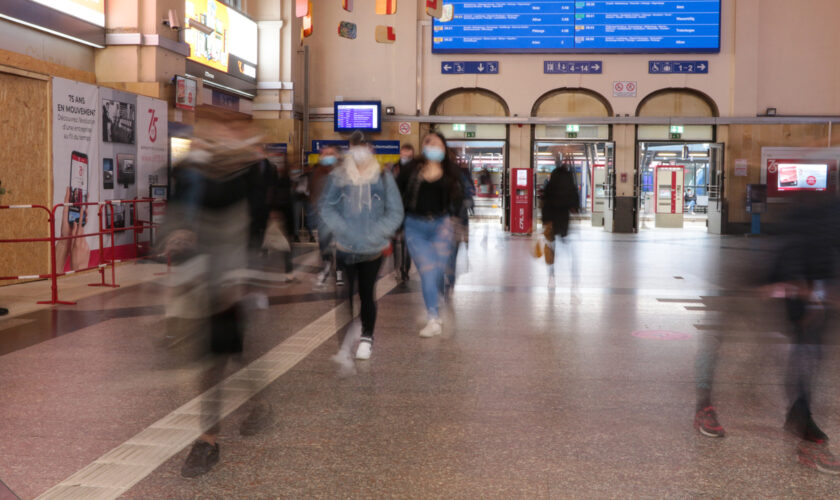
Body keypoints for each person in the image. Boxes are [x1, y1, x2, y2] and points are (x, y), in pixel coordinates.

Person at [163, 122, 273, 478]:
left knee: (216, 355)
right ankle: (259, 403)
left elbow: (247, 227)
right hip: (196, 277)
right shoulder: (189, 171)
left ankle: (208, 440)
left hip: (229, 277)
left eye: (221, 132)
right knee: (227, 353)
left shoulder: (245, 176)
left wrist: (235, 278)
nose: (211, 137)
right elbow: (175, 217)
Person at [319, 132, 403, 360]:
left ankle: (367, 337)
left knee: (366, 293)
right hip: (345, 246)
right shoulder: (339, 176)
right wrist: (343, 229)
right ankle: (347, 338)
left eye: (363, 146)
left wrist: (377, 232)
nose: (358, 151)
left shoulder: (383, 177)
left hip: (372, 249)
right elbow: (327, 208)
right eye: (354, 146)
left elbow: (395, 212)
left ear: (370, 149)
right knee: (345, 294)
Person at [398, 132, 463, 337]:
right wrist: (396, 224)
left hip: (441, 226)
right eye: (428, 142)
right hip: (415, 226)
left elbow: (460, 199)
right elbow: (396, 196)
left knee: (437, 272)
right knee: (428, 270)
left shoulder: (451, 173)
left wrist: (453, 220)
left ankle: (435, 302)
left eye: (437, 144)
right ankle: (433, 317)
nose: (432, 146)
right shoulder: (410, 170)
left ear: (444, 149)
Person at [541, 151, 579, 288]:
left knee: (551, 247)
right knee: (566, 244)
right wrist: (574, 207)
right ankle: (573, 273)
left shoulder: (553, 182)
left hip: (551, 219)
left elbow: (545, 199)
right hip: (562, 219)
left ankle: (551, 275)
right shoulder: (568, 180)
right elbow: (574, 196)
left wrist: (544, 221)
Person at [309, 145, 340, 286]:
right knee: (324, 244)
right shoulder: (317, 172)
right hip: (323, 215)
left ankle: (339, 272)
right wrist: (316, 208)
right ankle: (327, 263)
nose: (327, 156)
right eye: (325, 154)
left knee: (341, 246)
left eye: (331, 153)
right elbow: (313, 192)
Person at [392, 144, 417, 283]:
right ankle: (397, 268)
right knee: (396, 242)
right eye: (403, 155)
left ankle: (405, 269)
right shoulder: (394, 168)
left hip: (410, 212)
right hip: (395, 211)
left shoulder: (416, 170)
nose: (405, 157)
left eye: (408, 155)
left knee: (407, 243)